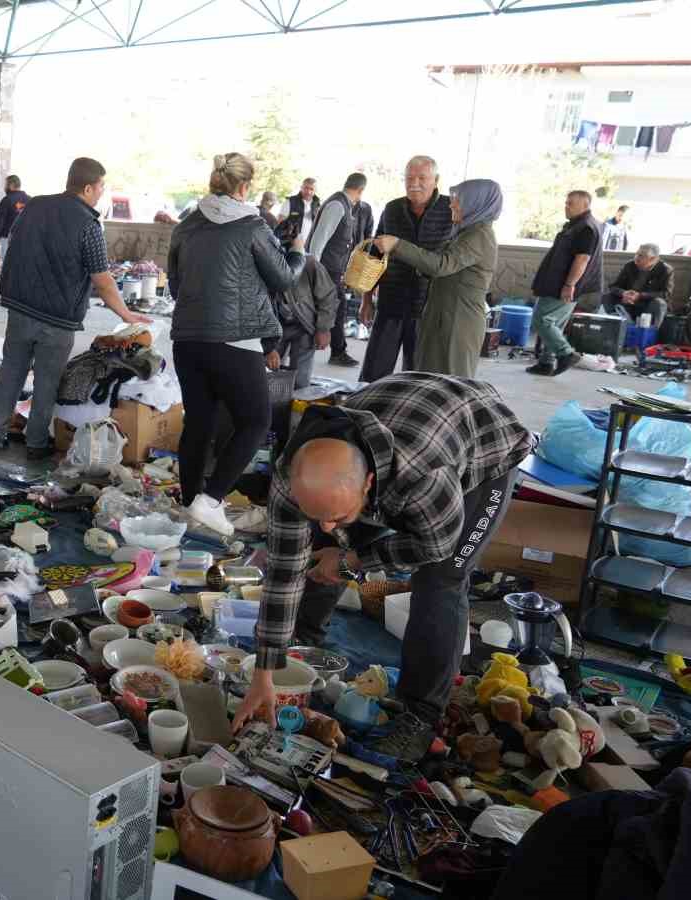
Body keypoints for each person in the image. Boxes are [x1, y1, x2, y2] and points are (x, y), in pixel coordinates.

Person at [234, 373, 534, 761]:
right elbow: (284, 570)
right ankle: (302, 641)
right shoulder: (290, 478)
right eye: (315, 512)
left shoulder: (423, 481)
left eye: (338, 512)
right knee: (327, 539)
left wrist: (352, 560)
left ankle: (420, 713)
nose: (325, 524)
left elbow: (433, 545)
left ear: (368, 483)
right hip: (404, 416)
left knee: (440, 581)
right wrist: (265, 668)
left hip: (481, 441)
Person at [168, 153, 305, 534]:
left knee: (199, 422)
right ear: (244, 187)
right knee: (255, 420)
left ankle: (190, 503)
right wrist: (298, 251)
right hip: (235, 341)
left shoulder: (186, 225)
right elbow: (283, 279)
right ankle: (210, 501)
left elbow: (176, 285)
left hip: (188, 340)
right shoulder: (251, 225)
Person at [0, 157, 152, 457]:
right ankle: (36, 442)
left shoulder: (35, 206)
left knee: (11, 370)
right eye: (101, 186)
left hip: (21, 307)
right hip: (57, 319)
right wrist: (126, 314)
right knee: (47, 382)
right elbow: (102, 280)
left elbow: (13, 245)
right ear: (88, 187)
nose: (102, 191)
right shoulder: (89, 225)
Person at [372, 180, 502, 378]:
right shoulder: (465, 233)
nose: (452, 204)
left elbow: (441, 265)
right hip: (442, 318)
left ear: (475, 202)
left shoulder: (480, 236)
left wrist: (398, 245)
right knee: (428, 379)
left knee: (449, 383)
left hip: (458, 323)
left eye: (458, 200)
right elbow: (438, 268)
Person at [359, 156, 455, 383]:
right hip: (391, 303)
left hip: (429, 309)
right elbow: (374, 256)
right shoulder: (392, 209)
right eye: (409, 178)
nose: (415, 183)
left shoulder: (450, 211)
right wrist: (366, 299)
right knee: (374, 371)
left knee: (418, 375)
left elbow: (454, 260)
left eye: (422, 178)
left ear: (436, 180)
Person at [527, 190, 603, 376]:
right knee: (555, 323)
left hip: (564, 284)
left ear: (585, 205)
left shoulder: (586, 227)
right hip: (559, 282)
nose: (566, 206)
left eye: (571, 203)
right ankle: (546, 362)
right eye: (566, 202)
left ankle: (566, 354)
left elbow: (582, 259)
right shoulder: (577, 225)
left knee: (542, 320)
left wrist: (569, 285)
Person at [306, 173, 367, 368]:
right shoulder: (337, 205)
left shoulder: (343, 204)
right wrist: (313, 271)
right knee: (334, 309)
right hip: (325, 269)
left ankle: (338, 350)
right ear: (361, 191)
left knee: (336, 309)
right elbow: (319, 240)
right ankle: (337, 351)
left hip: (331, 269)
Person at [275, 243, 339, 390]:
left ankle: (296, 406)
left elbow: (328, 296)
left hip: (304, 326)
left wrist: (323, 329)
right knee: (267, 374)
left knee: (300, 380)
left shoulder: (309, 264)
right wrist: (268, 347)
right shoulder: (264, 262)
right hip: (275, 327)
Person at [601, 243, 674, 325]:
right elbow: (614, 286)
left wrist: (640, 296)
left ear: (653, 259)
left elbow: (666, 294)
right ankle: (609, 329)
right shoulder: (630, 265)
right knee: (607, 297)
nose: (636, 258)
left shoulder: (665, 270)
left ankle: (649, 334)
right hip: (627, 301)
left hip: (647, 304)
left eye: (641, 256)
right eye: (637, 254)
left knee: (659, 303)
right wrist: (624, 293)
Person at [0, 174, 30, 263]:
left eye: (6, 185)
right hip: (24, 239)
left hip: (6, 239)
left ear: (11, 185)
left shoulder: (7, 200)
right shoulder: (30, 200)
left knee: (5, 264)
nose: (5, 188)